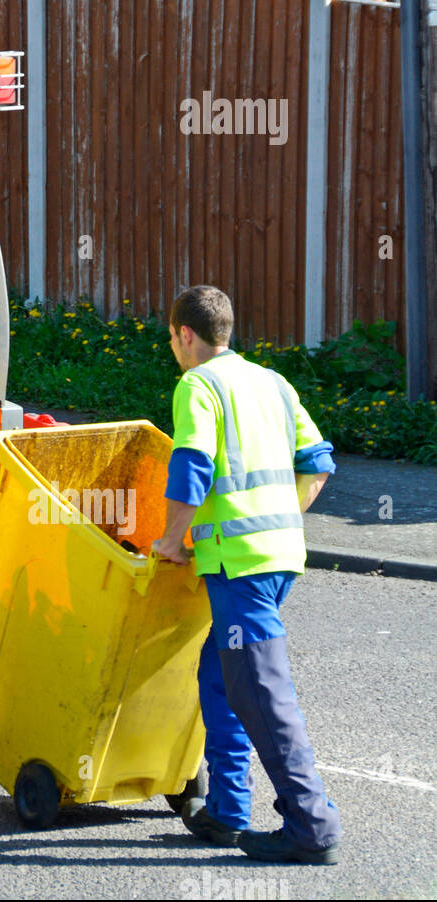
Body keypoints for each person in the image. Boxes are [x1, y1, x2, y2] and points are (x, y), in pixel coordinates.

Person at [151, 284, 341, 865]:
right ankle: (229, 811)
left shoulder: (198, 385)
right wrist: (280, 519)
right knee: (224, 678)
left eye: (173, 340)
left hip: (240, 565)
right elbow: (318, 463)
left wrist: (170, 539)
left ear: (186, 334)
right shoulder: (273, 383)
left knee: (261, 690)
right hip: (280, 556)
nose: (174, 350)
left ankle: (312, 826)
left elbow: (193, 464)